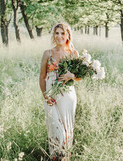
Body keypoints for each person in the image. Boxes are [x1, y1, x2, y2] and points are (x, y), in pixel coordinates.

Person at [39, 22, 81, 161]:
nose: (59, 36)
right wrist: (45, 95)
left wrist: (72, 76)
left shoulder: (73, 53)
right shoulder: (48, 53)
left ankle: (65, 158)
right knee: (54, 128)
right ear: (53, 35)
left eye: (63, 33)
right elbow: (42, 76)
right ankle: (54, 157)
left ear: (68, 35)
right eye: (57, 33)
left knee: (66, 130)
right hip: (51, 96)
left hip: (67, 96)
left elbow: (81, 76)